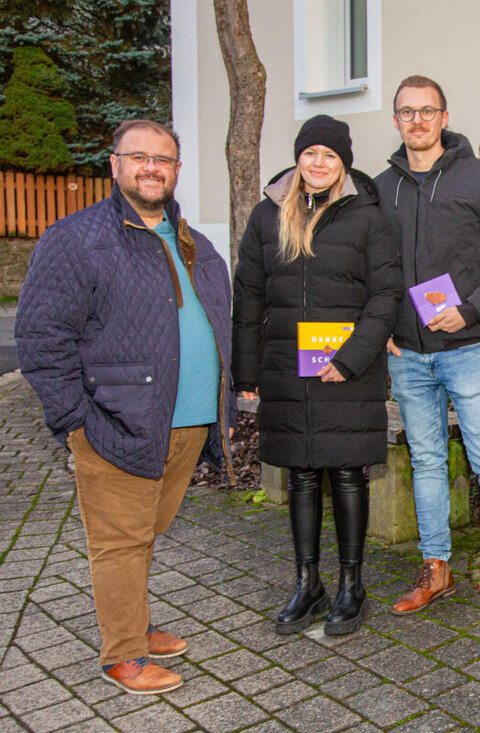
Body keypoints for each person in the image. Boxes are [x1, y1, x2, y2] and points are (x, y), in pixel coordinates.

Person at [15, 120, 235, 694]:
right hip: (115, 421)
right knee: (119, 540)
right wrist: (75, 420)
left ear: (176, 170)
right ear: (114, 165)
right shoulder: (76, 238)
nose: (151, 167)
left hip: (185, 422)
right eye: (138, 157)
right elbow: (41, 338)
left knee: (146, 531)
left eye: (163, 159)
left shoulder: (191, 239)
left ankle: (133, 622)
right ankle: (124, 654)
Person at [374, 75, 480, 626]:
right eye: (407, 112)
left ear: (444, 117)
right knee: (425, 462)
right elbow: (370, 267)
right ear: (395, 120)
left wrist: (468, 309)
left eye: (428, 111)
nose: (417, 121)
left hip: (467, 348)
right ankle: (435, 569)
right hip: (408, 356)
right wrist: (383, 328)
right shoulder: (381, 189)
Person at [232, 115, 401, 636]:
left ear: (343, 162)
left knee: (348, 472)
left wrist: (350, 357)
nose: (319, 163)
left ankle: (352, 585)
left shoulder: (368, 218)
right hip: (288, 367)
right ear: (298, 158)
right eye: (311, 154)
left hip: (348, 369)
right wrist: (246, 367)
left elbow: (386, 296)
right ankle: (308, 584)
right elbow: (249, 295)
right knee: (302, 474)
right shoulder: (267, 216)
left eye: (330, 155)